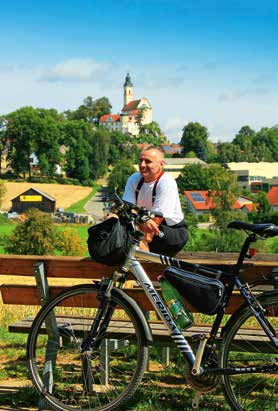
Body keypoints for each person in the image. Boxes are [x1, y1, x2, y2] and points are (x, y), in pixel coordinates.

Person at [123, 146, 188, 256]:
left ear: (161, 164)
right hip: (145, 222)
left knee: (137, 233)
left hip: (173, 232)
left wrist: (135, 228)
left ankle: (146, 267)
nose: (142, 165)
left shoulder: (166, 183)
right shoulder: (134, 179)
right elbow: (127, 209)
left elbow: (155, 222)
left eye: (148, 161)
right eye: (140, 161)